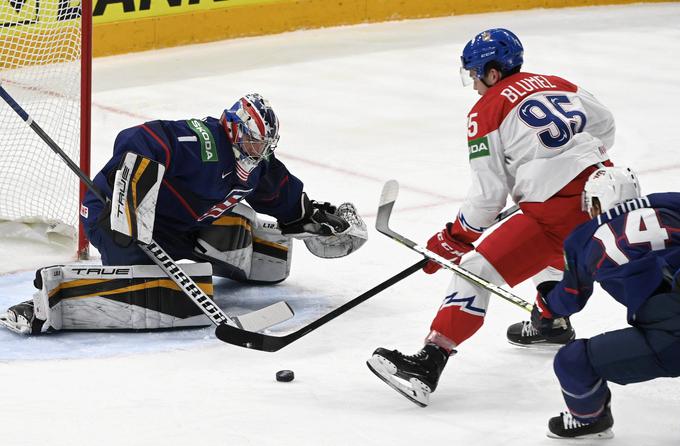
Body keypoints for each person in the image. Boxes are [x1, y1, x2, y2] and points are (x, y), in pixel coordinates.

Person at [366, 28, 616, 407]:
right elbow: (605, 125)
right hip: (605, 199)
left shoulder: (486, 110)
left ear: (493, 73)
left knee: (475, 268)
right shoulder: (557, 82)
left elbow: (488, 194)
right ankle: (551, 322)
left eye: (474, 75)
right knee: (549, 245)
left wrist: (457, 237)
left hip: (555, 214)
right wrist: (567, 159)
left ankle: (430, 361)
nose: (473, 85)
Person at [0, 93, 367, 334]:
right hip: (113, 213)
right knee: (153, 287)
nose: (259, 152)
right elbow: (137, 139)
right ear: (234, 130)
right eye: (254, 142)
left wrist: (313, 218)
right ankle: (50, 301)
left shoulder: (256, 165)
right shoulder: (204, 142)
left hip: (178, 223)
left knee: (254, 247)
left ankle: (223, 248)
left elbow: (283, 196)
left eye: (265, 145)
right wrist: (132, 207)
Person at [529, 166, 680, 439]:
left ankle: (589, 421)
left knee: (574, 360)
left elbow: (570, 298)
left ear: (596, 203)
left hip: (670, 338)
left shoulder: (584, 238)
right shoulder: (670, 202)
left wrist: (545, 307)